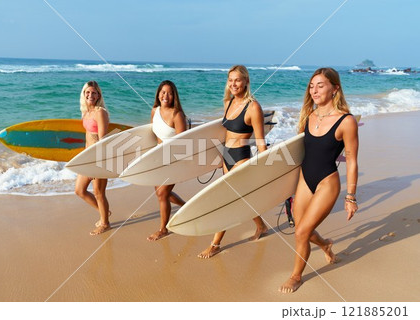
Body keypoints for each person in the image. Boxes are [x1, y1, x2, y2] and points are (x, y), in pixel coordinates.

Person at [279, 68, 359, 293]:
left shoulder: (346, 121)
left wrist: (350, 197)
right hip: (305, 179)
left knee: (301, 232)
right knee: (302, 228)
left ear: (335, 88)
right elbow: (298, 152)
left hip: (327, 182)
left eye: (320, 85)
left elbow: (352, 160)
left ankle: (296, 276)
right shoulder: (308, 115)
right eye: (311, 86)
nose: (314, 90)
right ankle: (325, 244)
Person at [198, 65, 268, 259]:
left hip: (241, 158)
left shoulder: (253, 107)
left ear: (246, 81)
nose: (233, 84)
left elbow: (261, 143)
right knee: (241, 198)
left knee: (227, 201)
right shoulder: (228, 103)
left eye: (237, 80)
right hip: (226, 157)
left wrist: (266, 169)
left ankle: (215, 244)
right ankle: (261, 226)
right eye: (230, 80)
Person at [148, 80, 186, 241]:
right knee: (162, 193)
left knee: (162, 194)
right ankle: (185, 208)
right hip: (157, 158)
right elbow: (152, 135)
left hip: (173, 160)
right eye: (163, 92)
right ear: (158, 94)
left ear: (174, 96)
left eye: (169, 93)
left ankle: (163, 229)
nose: (166, 95)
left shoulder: (177, 114)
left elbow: (183, 142)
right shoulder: (154, 111)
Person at [74, 81, 111, 235]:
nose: (90, 95)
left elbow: (102, 140)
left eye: (94, 93)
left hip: (100, 158)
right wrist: (83, 157)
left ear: (98, 95)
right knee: (79, 190)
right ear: (84, 94)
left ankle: (105, 223)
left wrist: (96, 164)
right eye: (87, 92)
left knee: (99, 192)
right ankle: (104, 213)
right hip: (88, 157)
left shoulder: (100, 112)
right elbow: (88, 137)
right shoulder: (86, 112)